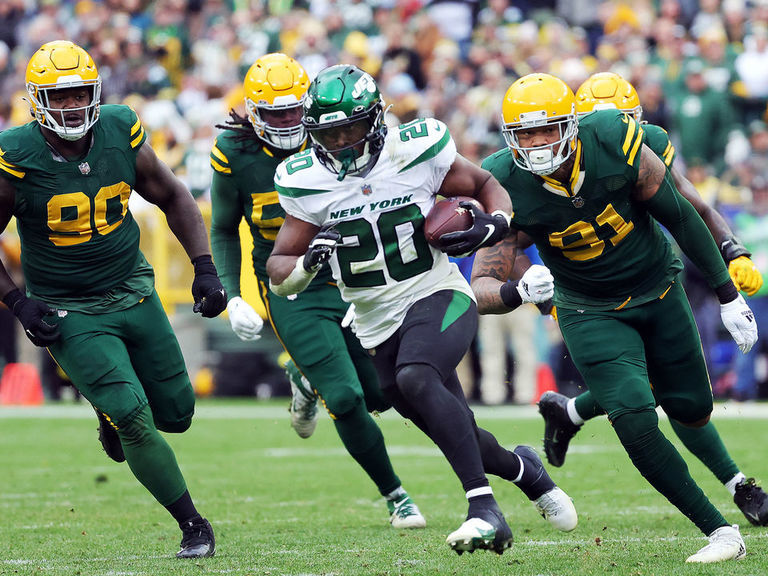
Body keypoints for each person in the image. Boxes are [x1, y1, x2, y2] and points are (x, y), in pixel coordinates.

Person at [267, 64, 578, 555]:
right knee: (452, 425)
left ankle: (484, 510)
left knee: (416, 377)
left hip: (437, 293)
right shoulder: (304, 180)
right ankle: (526, 471)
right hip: (373, 322)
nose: (343, 142)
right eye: (331, 132)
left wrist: (493, 225)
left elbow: (485, 186)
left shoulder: (415, 148)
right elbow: (279, 270)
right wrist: (308, 264)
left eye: (350, 128)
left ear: (373, 120)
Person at [471, 72, 758, 563]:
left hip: (660, 287)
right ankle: (719, 531)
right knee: (633, 412)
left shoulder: (614, 136)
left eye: (547, 130)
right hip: (588, 306)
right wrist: (516, 289)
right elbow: (480, 284)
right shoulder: (504, 180)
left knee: (691, 409)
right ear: (510, 138)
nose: (536, 144)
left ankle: (570, 411)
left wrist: (727, 292)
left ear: (573, 125)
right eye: (525, 134)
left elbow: (684, 215)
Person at [0, 41, 225, 559]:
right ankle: (193, 525)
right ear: (37, 101)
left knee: (178, 414)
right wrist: (18, 302)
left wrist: (205, 269)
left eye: (81, 93)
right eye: (60, 97)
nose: (74, 106)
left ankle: (108, 415)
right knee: (133, 416)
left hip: (133, 289)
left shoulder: (120, 129)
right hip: (68, 307)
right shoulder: (16, 154)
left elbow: (172, 195)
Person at [534, 71, 768, 527]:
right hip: (591, 298)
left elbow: (692, 204)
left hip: (653, 281)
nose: (620, 134)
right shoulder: (550, 172)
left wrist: (730, 249)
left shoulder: (643, 148)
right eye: (607, 123)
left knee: (675, 390)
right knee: (650, 390)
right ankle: (738, 485)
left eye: (627, 121)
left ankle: (570, 410)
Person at [208, 53, 425, 529]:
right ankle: (396, 495)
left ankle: (304, 378)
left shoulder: (338, 133)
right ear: (251, 112)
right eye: (274, 114)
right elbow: (224, 227)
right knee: (345, 398)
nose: (287, 123)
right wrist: (231, 293)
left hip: (354, 279)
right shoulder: (235, 153)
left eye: (293, 111)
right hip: (293, 287)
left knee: (381, 394)